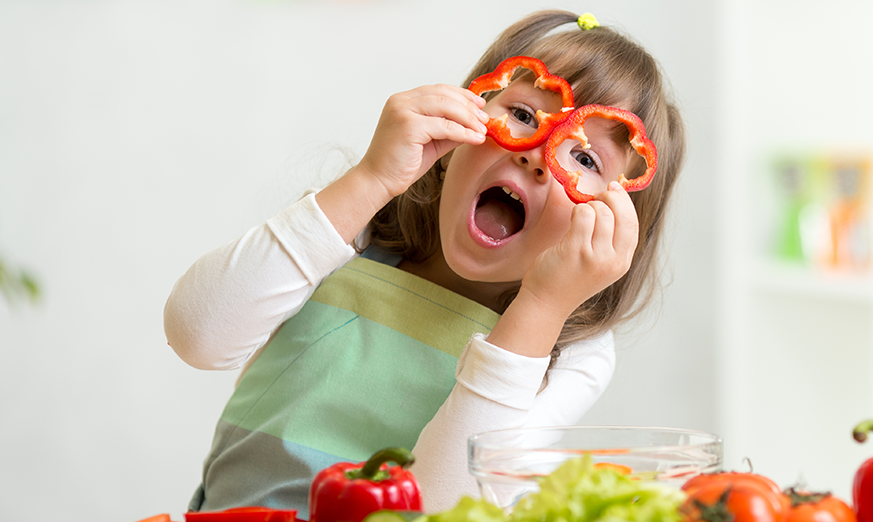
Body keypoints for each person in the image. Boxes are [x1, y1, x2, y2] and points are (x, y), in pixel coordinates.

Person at [164, 9, 686, 516]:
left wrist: (543, 306)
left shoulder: (574, 351)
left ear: (616, 222)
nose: (537, 153)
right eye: (523, 115)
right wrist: (369, 178)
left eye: (586, 158)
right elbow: (197, 336)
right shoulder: (354, 228)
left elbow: (445, 507)